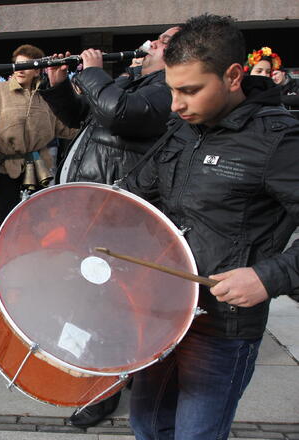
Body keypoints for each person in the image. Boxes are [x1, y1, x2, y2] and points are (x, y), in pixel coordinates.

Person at [122, 15, 299, 439]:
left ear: (234, 76)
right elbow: (141, 197)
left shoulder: (279, 140)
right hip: (161, 311)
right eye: (171, 90)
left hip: (223, 326)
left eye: (190, 90)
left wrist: (268, 276)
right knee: (146, 423)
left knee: (196, 434)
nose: (176, 104)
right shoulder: (181, 128)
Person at [40, 25, 180, 427]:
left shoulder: (166, 89)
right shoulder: (137, 82)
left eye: (164, 42)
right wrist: (60, 85)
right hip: (96, 215)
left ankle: (103, 391)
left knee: (106, 308)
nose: (152, 44)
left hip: (120, 221)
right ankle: (125, 372)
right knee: (95, 303)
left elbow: (120, 113)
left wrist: (93, 71)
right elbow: (83, 116)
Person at [0, 44, 76, 228]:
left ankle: (37, 252)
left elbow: (67, 126)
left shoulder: (48, 95)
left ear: (37, 71)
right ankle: (6, 252)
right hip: (4, 165)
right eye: (17, 65)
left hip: (38, 165)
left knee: (41, 216)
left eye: (25, 65)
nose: (19, 69)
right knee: (6, 217)